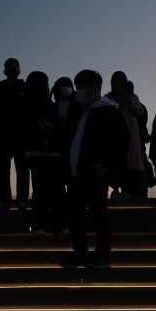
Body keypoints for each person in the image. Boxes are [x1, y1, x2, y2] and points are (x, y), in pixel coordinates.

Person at [61, 69, 129, 269]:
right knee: (73, 212)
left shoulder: (107, 110)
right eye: (77, 87)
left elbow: (123, 140)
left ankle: (101, 255)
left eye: (82, 87)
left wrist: (105, 165)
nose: (78, 91)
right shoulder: (82, 111)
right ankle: (81, 252)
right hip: (77, 173)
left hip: (94, 172)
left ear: (95, 88)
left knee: (98, 214)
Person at [22, 70, 67, 235]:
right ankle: (57, 225)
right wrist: (46, 141)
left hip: (40, 154)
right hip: (47, 154)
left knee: (43, 193)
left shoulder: (28, 104)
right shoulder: (47, 106)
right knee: (55, 192)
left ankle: (41, 226)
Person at [0, 57, 29, 210]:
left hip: (21, 135)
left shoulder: (25, 86)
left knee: (22, 169)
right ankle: (4, 200)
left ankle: (22, 200)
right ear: (4, 71)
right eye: (8, 67)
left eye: (14, 67)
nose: (11, 69)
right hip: (2, 135)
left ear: (19, 70)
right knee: (2, 170)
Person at [106, 71, 146, 198]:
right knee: (116, 162)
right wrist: (116, 100)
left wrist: (127, 99)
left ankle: (129, 191)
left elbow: (139, 112)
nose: (118, 84)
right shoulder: (108, 97)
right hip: (114, 135)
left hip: (131, 136)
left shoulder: (132, 97)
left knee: (131, 165)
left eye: (121, 81)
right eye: (116, 81)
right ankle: (115, 190)